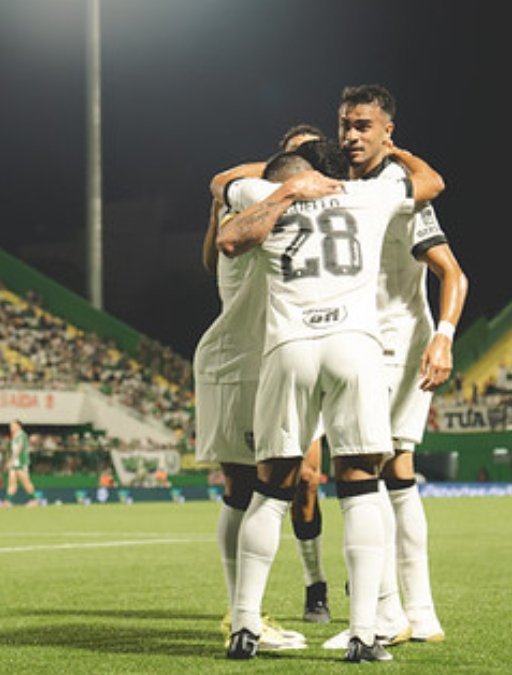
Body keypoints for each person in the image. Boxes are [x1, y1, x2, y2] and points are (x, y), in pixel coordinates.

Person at [213, 138, 444, 662]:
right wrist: (397, 149)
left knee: (271, 489)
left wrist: (288, 191)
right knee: (361, 485)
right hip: (355, 348)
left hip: (289, 347)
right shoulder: (368, 193)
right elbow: (432, 182)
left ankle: (244, 625)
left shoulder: (267, 191)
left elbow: (226, 226)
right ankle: (364, 633)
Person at [322, 83, 465, 648]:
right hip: (362, 342)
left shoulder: (398, 192)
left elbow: (453, 273)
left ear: (388, 132)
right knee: (397, 475)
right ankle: (420, 613)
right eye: (345, 125)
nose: (351, 136)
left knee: (364, 469)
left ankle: (386, 614)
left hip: (397, 345)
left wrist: (444, 338)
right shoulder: (347, 188)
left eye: (363, 126)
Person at [197, 125, 331, 653]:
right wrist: (289, 182)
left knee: (247, 489)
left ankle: (249, 612)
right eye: (304, 158)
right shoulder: (261, 203)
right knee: (256, 489)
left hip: (246, 360)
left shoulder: (262, 207)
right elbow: (226, 195)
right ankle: (244, 618)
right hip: (253, 361)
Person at [5, 419, 39, 506]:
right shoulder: (14, 436)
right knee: (11, 482)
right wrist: (10, 461)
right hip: (15, 463)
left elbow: (19, 449)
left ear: (18, 426)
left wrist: (11, 461)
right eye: (10, 425)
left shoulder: (22, 435)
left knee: (26, 482)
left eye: (13, 425)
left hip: (21, 462)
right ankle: (7, 501)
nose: (11, 427)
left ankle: (34, 500)